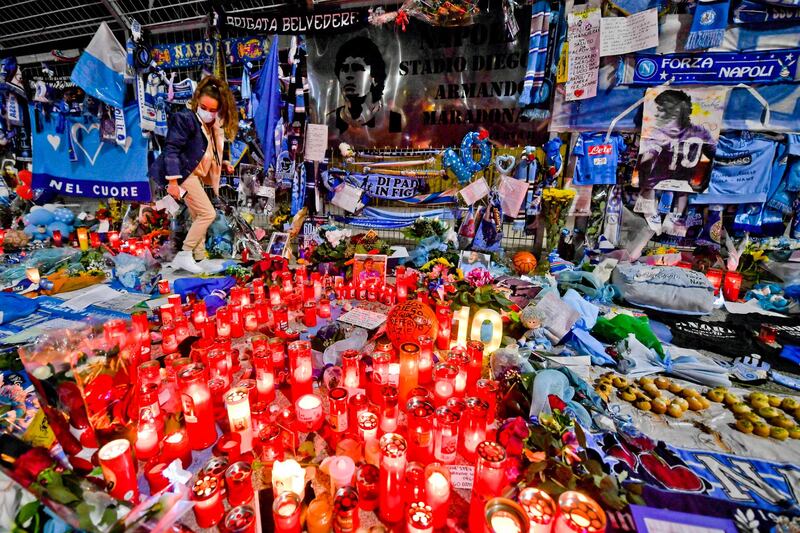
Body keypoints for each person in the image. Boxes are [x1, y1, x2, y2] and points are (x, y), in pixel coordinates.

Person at [150, 76, 238, 273]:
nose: (207, 112)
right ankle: (185, 254)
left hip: (190, 174)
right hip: (181, 175)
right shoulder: (185, 119)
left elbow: (200, 153)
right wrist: (172, 182)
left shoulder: (209, 127)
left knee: (199, 214)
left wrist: (222, 164)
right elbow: (171, 150)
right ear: (197, 101)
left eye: (213, 110)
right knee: (208, 213)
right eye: (204, 107)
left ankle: (198, 257)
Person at [637, 89, 716, 192]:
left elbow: (715, 155)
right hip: (654, 188)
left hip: (683, 189)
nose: (656, 115)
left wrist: (704, 184)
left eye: (661, 110)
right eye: (658, 109)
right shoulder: (655, 132)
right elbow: (645, 160)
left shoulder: (699, 132)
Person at [329, 36, 402, 144]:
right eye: (344, 69)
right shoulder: (331, 120)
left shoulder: (393, 118)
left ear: (374, 77)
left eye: (357, 68)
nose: (349, 75)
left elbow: (395, 154)